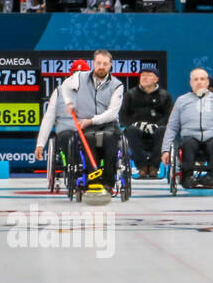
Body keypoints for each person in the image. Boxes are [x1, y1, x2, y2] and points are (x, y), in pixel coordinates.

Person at [35, 51, 125, 189]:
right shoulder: (60, 91)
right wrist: (41, 144)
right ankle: (78, 173)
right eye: (75, 74)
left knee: (104, 137)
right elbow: (48, 117)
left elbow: (111, 114)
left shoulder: (104, 87)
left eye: (81, 73)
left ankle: (102, 178)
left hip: (92, 126)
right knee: (70, 138)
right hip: (69, 129)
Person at [161, 68, 213, 189]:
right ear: (191, 83)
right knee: (188, 142)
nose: (199, 82)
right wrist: (166, 150)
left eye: (202, 79)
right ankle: (187, 177)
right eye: (195, 79)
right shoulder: (182, 101)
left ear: (207, 82)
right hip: (190, 138)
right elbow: (172, 127)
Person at [122, 68, 174, 179]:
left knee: (163, 130)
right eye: (142, 75)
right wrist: (136, 124)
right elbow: (123, 116)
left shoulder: (165, 96)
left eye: (149, 75)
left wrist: (157, 125)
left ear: (156, 79)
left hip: (157, 129)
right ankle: (142, 167)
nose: (144, 77)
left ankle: (154, 167)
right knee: (131, 130)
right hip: (137, 130)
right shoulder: (130, 95)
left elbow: (170, 116)